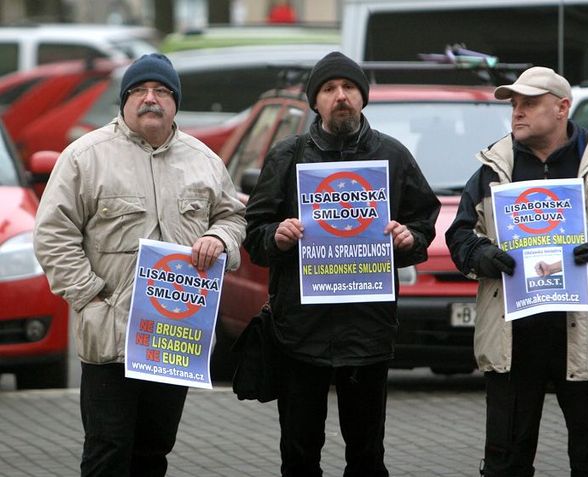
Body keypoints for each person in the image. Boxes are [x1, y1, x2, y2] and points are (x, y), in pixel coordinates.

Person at [33, 53, 246, 477]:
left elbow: (232, 216)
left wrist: (218, 237)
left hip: (173, 336)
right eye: (140, 91)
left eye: (162, 91)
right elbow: (52, 235)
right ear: (124, 101)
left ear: (175, 102)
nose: (151, 99)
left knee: (154, 451)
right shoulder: (84, 158)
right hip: (109, 337)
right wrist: (91, 297)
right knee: (107, 451)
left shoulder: (204, 160)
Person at [445, 66, 588, 476]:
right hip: (512, 340)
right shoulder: (493, 169)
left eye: (529, 103)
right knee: (505, 462)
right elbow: (459, 237)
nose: (517, 112)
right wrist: (480, 255)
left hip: (585, 336)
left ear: (562, 108)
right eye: (514, 104)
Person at [244, 51, 440, 477]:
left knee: (367, 456)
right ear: (315, 101)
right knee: (299, 455)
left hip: (367, 332)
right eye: (329, 89)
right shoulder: (288, 156)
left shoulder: (393, 156)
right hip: (300, 333)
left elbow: (422, 223)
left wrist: (409, 240)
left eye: (349, 88)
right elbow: (254, 236)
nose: (341, 97)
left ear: (363, 97)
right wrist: (275, 237)